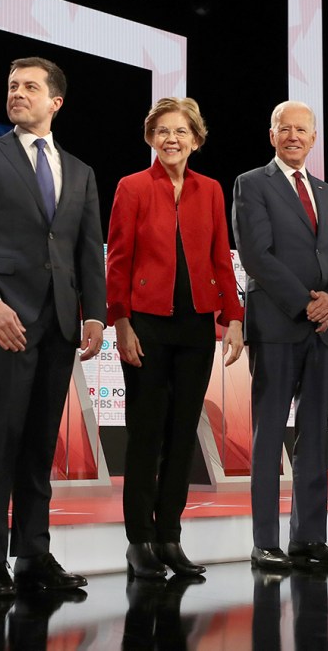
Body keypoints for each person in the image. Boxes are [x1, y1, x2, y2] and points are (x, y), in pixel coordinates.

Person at [0, 57, 107, 596]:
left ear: (55, 102)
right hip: (6, 320)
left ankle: (34, 554)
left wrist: (94, 313)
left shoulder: (81, 172)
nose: (18, 93)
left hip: (60, 321)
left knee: (41, 443)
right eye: (13, 85)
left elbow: (87, 250)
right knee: (0, 438)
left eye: (30, 87)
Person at [106, 97, 244, 579]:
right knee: (146, 434)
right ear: (150, 137)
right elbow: (118, 259)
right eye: (162, 131)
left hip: (196, 325)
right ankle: (139, 540)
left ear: (196, 140)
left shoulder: (211, 189)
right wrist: (120, 322)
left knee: (183, 434)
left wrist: (234, 318)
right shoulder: (132, 186)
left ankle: (169, 536)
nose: (171, 139)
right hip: (145, 323)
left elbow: (221, 257)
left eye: (181, 131)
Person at [232, 101, 328, 570]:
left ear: (313, 138)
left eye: (302, 130)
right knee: (269, 436)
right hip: (278, 324)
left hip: (323, 329)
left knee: (315, 437)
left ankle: (308, 539)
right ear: (272, 135)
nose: (293, 137)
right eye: (285, 129)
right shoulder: (251, 183)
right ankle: (265, 542)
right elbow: (256, 254)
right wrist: (306, 302)